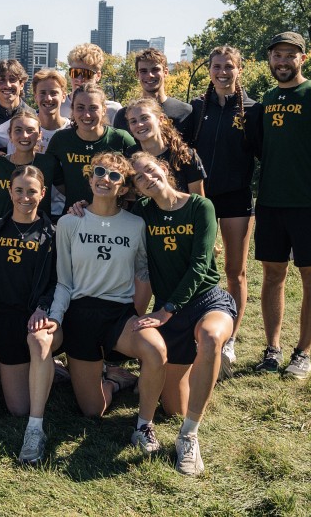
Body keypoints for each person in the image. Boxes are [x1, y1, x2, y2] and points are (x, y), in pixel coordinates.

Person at [52, 153, 167, 458]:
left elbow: (144, 271)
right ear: (90, 178)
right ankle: (115, 382)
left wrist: (141, 313)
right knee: (92, 411)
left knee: (156, 350)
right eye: (100, 172)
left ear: (124, 188)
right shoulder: (69, 222)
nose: (105, 179)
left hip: (119, 314)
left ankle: (144, 426)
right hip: (80, 315)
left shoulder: (135, 225)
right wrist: (56, 318)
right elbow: (63, 279)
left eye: (115, 176)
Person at [129, 151, 237, 476]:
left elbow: (200, 264)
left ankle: (189, 437)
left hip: (206, 300)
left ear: (162, 168)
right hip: (170, 311)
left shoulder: (199, 206)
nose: (147, 178)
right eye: (138, 178)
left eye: (149, 170)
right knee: (174, 407)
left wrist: (167, 310)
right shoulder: (142, 213)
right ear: (136, 188)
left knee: (210, 338)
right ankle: (194, 379)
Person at [253, 32, 311, 380]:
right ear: (270, 59)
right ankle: (272, 349)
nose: (282, 62)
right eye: (277, 55)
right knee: (272, 276)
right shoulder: (266, 98)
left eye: (290, 55)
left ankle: (303, 352)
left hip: (310, 205)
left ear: (302, 59)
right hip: (270, 204)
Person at [0, 166, 60, 463]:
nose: (26, 196)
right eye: (19, 190)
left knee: (39, 345)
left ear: (43, 193)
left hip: (38, 318)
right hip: (6, 322)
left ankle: (36, 429)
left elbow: (60, 280)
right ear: (9, 192)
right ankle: (52, 370)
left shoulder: (53, 233)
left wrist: (44, 306)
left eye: (32, 191)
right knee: (17, 408)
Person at [187, 45, 260, 377]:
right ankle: (193, 333)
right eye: (216, 66)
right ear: (210, 70)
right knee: (199, 268)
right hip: (200, 197)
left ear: (239, 70)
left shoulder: (252, 110)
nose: (222, 72)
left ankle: (228, 339)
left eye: (228, 66)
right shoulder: (197, 109)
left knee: (235, 272)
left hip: (237, 199)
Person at [46, 83, 135, 209]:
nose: (87, 115)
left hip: (112, 216)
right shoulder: (60, 139)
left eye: (93, 108)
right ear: (73, 109)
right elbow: (55, 178)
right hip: (75, 215)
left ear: (104, 110)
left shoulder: (120, 138)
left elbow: (137, 178)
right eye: (80, 108)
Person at [0, 108, 59, 220]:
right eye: (18, 130)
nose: (24, 135)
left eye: (30, 130)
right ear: (10, 134)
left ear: (39, 135)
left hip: (39, 232)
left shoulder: (49, 163)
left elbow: (69, 191)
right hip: (3, 233)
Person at [123, 97, 206, 195]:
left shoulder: (185, 156)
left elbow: (198, 202)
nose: (139, 124)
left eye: (144, 118)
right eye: (133, 121)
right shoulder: (128, 159)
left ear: (160, 119)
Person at [112, 48, 191, 134]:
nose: (150, 75)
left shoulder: (185, 112)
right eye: (143, 71)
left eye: (155, 70)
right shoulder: (124, 116)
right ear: (137, 75)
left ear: (166, 72)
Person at [60, 44, 122, 124]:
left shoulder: (114, 111)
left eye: (86, 74)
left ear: (98, 76)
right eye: (75, 73)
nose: (79, 79)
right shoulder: (58, 107)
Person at [0, 59, 32, 129]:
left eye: (12, 79)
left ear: (21, 85)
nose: (7, 85)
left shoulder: (34, 117)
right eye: (2, 80)